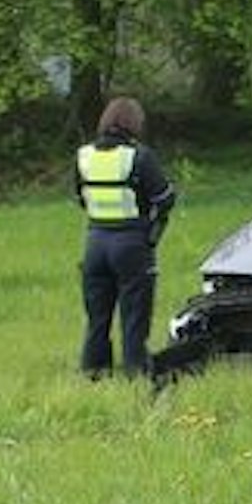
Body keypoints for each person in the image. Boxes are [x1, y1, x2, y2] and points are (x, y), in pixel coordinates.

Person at [74, 96, 177, 377]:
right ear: (135, 124)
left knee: (97, 316)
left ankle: (94, 370)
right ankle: (135, 370)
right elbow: (164, 197)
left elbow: (81, 197)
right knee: (134, 315)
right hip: (132, 242)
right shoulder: (139, 156)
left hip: (95, 241)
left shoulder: (84, 156)